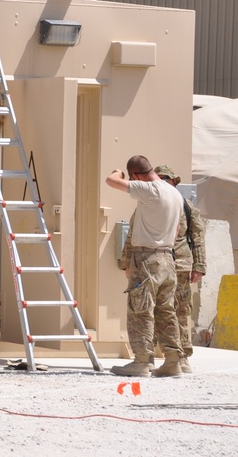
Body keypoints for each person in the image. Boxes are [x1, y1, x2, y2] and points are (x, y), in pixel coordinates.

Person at [106, 155, 185, 377]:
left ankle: (141, 362)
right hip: (168, 259)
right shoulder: (175, 193)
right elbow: (178, 229)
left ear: (136, 176)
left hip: (147, 259)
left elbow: (111, 181)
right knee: (165, 312)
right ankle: (172, 361)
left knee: (140, 310)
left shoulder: (150, 189)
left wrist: (117, 173)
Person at [154, 164, 206, 372]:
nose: (163, 184)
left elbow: (198, 238)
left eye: (167, 180)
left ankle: (183, 356)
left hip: (181, 265)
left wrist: (199, 266)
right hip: (157, 263)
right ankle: (163, 354)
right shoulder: (151, 204)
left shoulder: (186, 206)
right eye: (159, 180)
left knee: (181, 311)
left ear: (174, 182)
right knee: (156, 310)